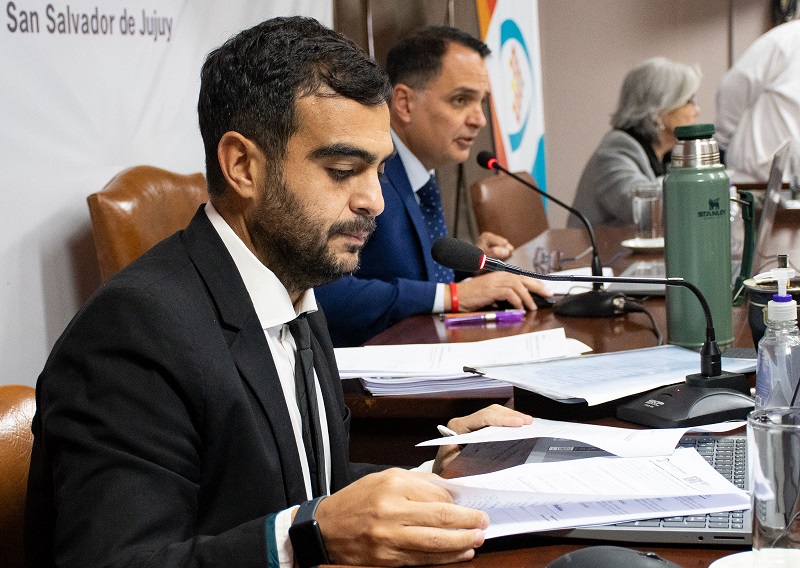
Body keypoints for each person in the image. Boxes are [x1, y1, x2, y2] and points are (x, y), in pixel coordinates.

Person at [24, 16, 533, 568]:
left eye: (377, 171)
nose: (374, 201)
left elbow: (305, 487)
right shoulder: (132, 333)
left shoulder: (294, 293)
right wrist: (306, 537)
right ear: (243, 166)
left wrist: (432, 474)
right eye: (342, 169)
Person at [315, 26, 550, 347]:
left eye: (481, 102)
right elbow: (322, 290)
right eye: (461, 100)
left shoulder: (418, 170)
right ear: (404, 103)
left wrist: (468, 275)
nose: (479, 119)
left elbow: (411, 277)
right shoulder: (365, 173)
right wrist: (453, 295)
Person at [570, 57, 701, 227]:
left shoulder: (668, 153)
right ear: (658, 109)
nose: (697, 111)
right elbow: (644, 208)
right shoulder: (615, 150)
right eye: (688, 101)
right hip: (602, 244)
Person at [716, 19, 800, 183]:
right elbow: (735, 86)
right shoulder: (786, 40)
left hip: (792, 184)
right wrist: (723, 140)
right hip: (753, 179)